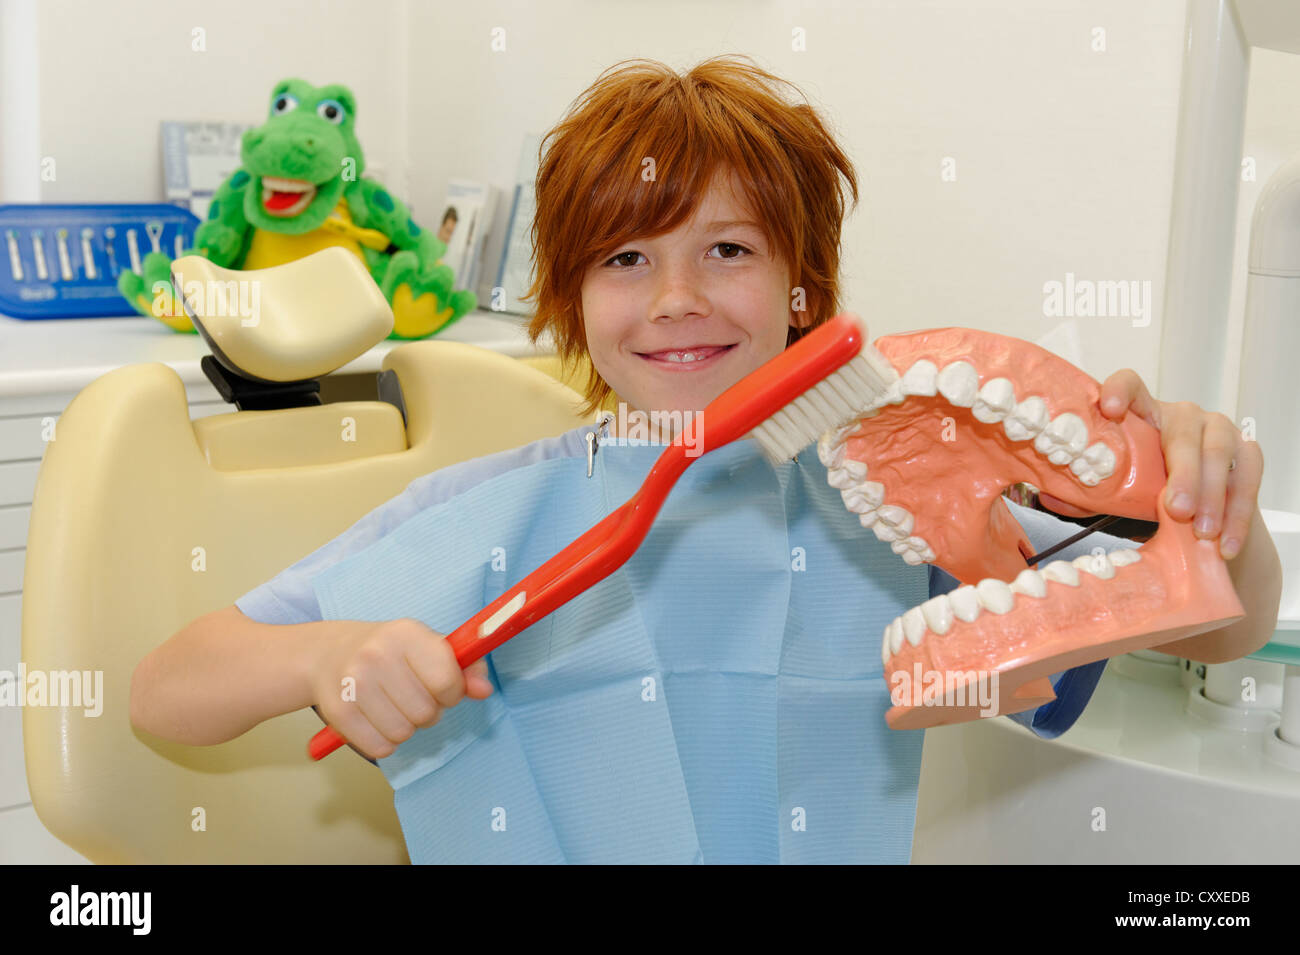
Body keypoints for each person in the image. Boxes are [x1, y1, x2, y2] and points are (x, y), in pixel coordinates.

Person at [130, 55, 1281, 862]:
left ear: (801, 290)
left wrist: (1208, 504)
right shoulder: (489, 515)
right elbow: (167, 690)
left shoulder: (892, 515)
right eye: (624, 258)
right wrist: (327, 654)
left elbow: (1210, 622)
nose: (676, 298)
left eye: (725, 248)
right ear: (571, 304)